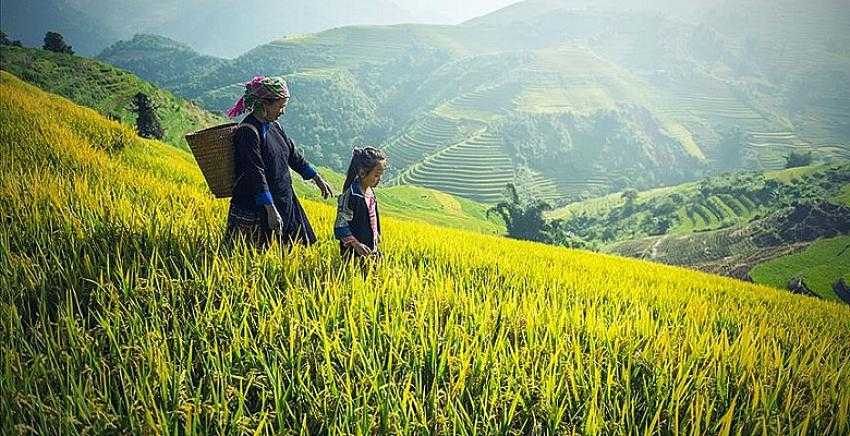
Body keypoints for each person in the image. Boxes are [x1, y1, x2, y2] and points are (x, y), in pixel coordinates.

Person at [223, 75, 334, 249]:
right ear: (265, 104)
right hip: (257, 206)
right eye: (280, 106)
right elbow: (255, 173)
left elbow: (293, 156)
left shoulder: (275, 126)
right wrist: (270, 209)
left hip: (283, 199)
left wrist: (317, 178)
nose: (282, 111)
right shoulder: (248, 132)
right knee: (253, 255)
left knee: (294, 252)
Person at [334, 147, 388, 261]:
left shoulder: (370, 192)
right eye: (377, 175)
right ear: (362, 172)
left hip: (370, 248)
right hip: (354, 253)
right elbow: (340, 225)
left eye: (381, 175)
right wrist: (356, 244)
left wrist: (376, 234)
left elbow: (373, 218)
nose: (379, 179)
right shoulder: (352, 195)